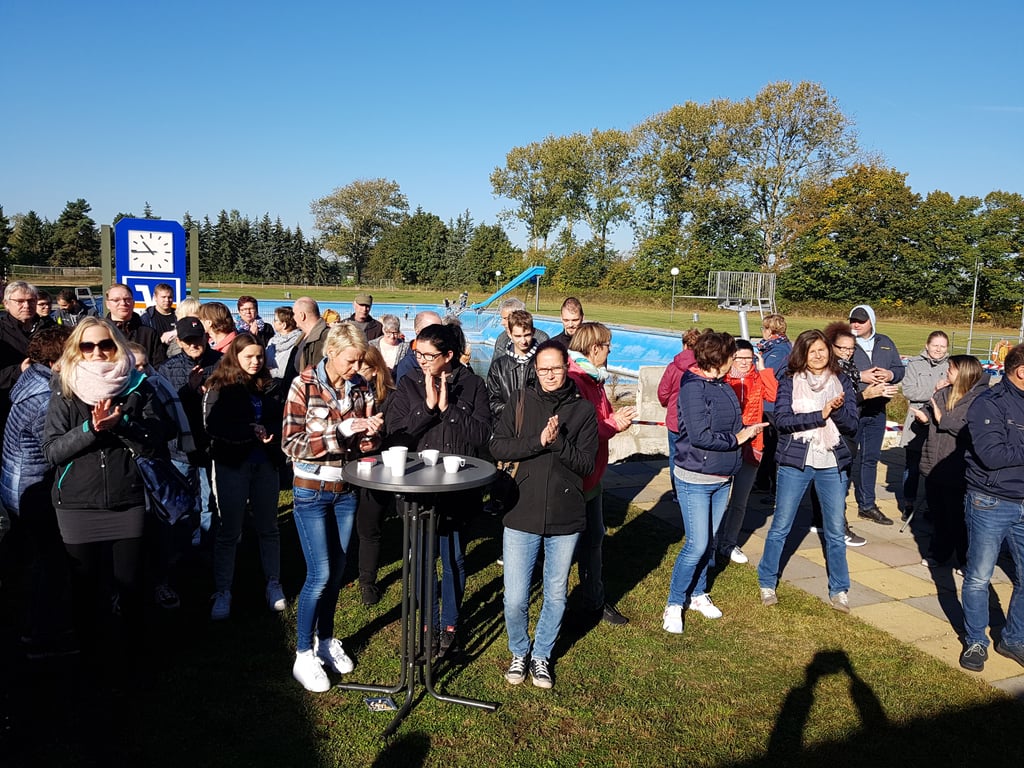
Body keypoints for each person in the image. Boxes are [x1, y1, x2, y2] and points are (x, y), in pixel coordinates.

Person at [42, 317, 168, 658]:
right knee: (85, 589)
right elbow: (51, 451)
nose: (97, 352)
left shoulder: (138, 386)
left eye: (105, 345)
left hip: (127, 500)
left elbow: (155, 442)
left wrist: (123, 424)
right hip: (77, 504)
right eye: (87, 346)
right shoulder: (64, 388)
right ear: (76, 350)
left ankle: (132, 656)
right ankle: (90, 658)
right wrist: (91, 429)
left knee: (130, 586)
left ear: (117, 346)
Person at [490, 341, 598, 689]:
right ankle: (519, 650)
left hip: (565, 515)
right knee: (515, 598)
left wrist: (558, 443)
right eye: (543, 369)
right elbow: (498, 446)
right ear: (535, 371)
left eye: (556, 368)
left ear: (567, 367)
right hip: (521, 509)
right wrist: (538, 441)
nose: (550, 375)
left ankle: (541, 655)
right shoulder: (520, 401)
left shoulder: (583, 410)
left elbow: (586, 464)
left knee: (555, 594)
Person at [282, 323, 383, 691]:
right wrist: (338, 432)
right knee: (320, 573)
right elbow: (291, 444)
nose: (356, 367)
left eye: (360, 361)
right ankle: (302, 653)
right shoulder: (303, 385)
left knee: (338, 570)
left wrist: (370, 437)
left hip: (346, 489)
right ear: (331, 352)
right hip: (311, 489)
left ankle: (325, 640)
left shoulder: (361, 386)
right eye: (350, 360)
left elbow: (366, 443)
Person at [387, 323, 491, 657]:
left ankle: (450, 625)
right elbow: (396, 434)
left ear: (449, 355)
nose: (422, 361)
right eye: (418, 353)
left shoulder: (473, 385)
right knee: (422, 560)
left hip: (458, 491)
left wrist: (449, 410)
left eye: (429, 355)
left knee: (454, 558)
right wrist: (428, 408)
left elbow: (482, 437)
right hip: (417, 491)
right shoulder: (408, 383)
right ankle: (428, 625)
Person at [663, 331, 765, 633]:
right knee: (697, 544)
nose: (735, 361)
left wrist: (747, 430)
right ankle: (674, 602)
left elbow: (731, 423)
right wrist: (738, 438)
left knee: (709, 541)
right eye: (732, 356)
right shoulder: (693, 387)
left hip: (722, 476)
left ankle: (698, 593)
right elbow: (699, 436)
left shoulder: (722, 384)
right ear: (719, 359)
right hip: (695, 476)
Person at [756, 330, 860, 613]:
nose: (818, 355)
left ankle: (839, 589)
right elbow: (783, 421)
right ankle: (767, 581)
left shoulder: (841, 381)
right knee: (781, 525)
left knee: (835, 530)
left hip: (832, 462)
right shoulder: (789, 381)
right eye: (812, 351)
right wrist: (820, 415)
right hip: (796, 461)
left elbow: (852, 425)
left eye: (822, 350)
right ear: (802, 353)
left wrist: (836, 411)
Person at [1, 325, 74, 656]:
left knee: (34, 559)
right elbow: (58, 445)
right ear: (56, 361)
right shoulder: (45, 396)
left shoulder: (32, 379)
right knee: (52, 563)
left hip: (18, 483)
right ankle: (41, 633)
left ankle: (28, 620)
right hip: (34, 487)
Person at [203, 333, 286, 621]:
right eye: (248, 356)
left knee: (268, 526)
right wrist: (248, 431)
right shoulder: (220, 385)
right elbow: (212, 425)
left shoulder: (272, 385)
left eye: (259, 356)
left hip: (266, 464)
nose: (255, 361)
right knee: (229, 529)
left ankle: (273, 581)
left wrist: (270, 433)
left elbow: (281, 419)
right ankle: (223, 589)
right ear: (235, 356)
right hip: (233, 464)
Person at [959, 344, 1024, 672]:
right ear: (1021, 371)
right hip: (990, 501)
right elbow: (992, 455)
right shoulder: (989, 403)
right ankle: (975, 640)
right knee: (978, 577)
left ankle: (1014, 638)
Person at [567, 322, 635, 624]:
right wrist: (613, 425)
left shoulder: (594, 378)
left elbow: (601, 418)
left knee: (594, 538)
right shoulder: (575, 380)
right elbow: (583, 431)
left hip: (592, 476)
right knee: (567, 545)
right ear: (594, 348)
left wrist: (613, 419)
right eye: (607, 345)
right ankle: (563, 606)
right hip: (575, 478)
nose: (610, 350)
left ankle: (593, 599)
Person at [910, 355, 986, 570]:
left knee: (959, 518)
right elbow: (929, 410)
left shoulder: (981, 400)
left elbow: (972, 430)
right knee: (938, 514)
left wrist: (942, 420)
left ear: (964, 373)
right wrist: (923, 417)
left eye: (951, 369)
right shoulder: (943, 392)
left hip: (958, 468)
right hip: (934, 463)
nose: (946, 372)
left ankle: (965, 560)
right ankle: (939, 553)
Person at [158, 317, 222, 543]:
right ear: (179, 342)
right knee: (181, 500)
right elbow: (164, 410)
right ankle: (183, 544)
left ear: (206, 337)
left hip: (212, 446)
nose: (194, 344)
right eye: (188, 340)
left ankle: (206, 543)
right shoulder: (167, 369)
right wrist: (189, 390)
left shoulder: (222, 363)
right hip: (180, 448)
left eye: (198, 338)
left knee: (209, 499)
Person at [715, 338, 778, 565]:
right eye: (739, 358)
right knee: (717, 499)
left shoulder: (757, 378)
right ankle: (711, 542)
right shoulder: (722, 380)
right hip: (726, 445)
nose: (744, 362)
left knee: (740, 500)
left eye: (748, 358)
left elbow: (774, 395)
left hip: (752, 447)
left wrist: (764, 370)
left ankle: (729, 542)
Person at [848, 304, 903, 525]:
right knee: (846, 458)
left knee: (870, 459)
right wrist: (861, 376)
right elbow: (835, 369)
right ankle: (834, 507)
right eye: (853, 320)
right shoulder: (844, 343)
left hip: (878, 408)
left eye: (861, 321)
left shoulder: (885, 342)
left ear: (871, 322)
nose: (856, 324)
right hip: (854, 408)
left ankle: (867, 505)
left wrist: (890, 374)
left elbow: (899, 369)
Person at [353, 346, 396, 606]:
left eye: (362, 367)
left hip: (378, 465)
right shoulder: (349, 392)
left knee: (370, 525)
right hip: (350, 463)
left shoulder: (390, 396)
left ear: (376, 369)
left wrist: (377, 438)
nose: (356, 371)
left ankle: (367, 581)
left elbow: (396, 431)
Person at [899, 331, 949, 521]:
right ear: (927, 345)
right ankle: (908, 503)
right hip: (917, 421)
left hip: (939, 422)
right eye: (935, 345)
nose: (939, 349)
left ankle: (932, 505)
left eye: (943, 346)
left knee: (935, 466)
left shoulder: (951, 365)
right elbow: (909, 391)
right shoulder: (914, 364)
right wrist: (935, 391)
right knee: (912, 466)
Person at [657, 328, 700, 500]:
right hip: (696, 419)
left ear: (684, 345)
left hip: (675, 418)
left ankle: (677, 492)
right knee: (695, 455)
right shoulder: (703, 366)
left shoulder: (673, 367)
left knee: (675, 455)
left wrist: (668, 404)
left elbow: (663, 392)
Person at [753, 313, 792, 497]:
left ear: (770, 330)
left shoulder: (779, 351)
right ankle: (762, 481)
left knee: (773, 447)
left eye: (764, 328)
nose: (762, 331)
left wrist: (758, 366)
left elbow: (766, 373)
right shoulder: (773, 347)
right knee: (767, 446)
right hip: (767, 404)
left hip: (773, 405)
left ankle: (775, 489)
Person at [1, 281, 44, 430]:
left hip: (43, 408)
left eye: (31, 301)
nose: (26, 305)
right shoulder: (2, 332)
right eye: (20, 301)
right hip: (9, 408)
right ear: (6, 304)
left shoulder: (49, 328)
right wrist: (19, 370)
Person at [487, 309, 539, 418]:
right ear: (510, 334)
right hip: (506, 423)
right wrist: (514, 410)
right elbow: (492, 402)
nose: (523, 341)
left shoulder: (542, 362)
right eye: (518, 336)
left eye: (527, 335)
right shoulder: (498, 366)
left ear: (533, 332)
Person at [104, 283, 165, 367]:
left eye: (127, 299)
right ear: (107, 304)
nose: (123, 303)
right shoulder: (101, 333)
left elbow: (159, 366)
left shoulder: (149, 334)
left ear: (133, 302)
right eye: (116, 300)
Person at [393, 310, 442, 383]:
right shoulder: (407, 365)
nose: (439, 334)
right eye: (432, 330)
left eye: (441, 329)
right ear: (418, 331)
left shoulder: (447, 357)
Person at [293, 297, 329, 375]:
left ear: (302, 315)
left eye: (294, 314)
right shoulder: (301, 337)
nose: (293, 317)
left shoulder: (324, 338)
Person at [266, 306, 303, 382]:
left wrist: (270, 372)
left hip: (286, 383)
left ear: (284, 325)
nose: (273, 322)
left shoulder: (298, 342)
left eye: (275, 320)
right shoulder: (272, 341)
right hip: (268, 382)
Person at [140, 283, 178, 352]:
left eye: (170, 297)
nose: (167, 300)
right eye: (163, 297)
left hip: (176, 355)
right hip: (155, 355)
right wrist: (160, 341)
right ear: (155, 297)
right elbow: (143, 343)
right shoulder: (147, 318)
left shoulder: (179, 315)